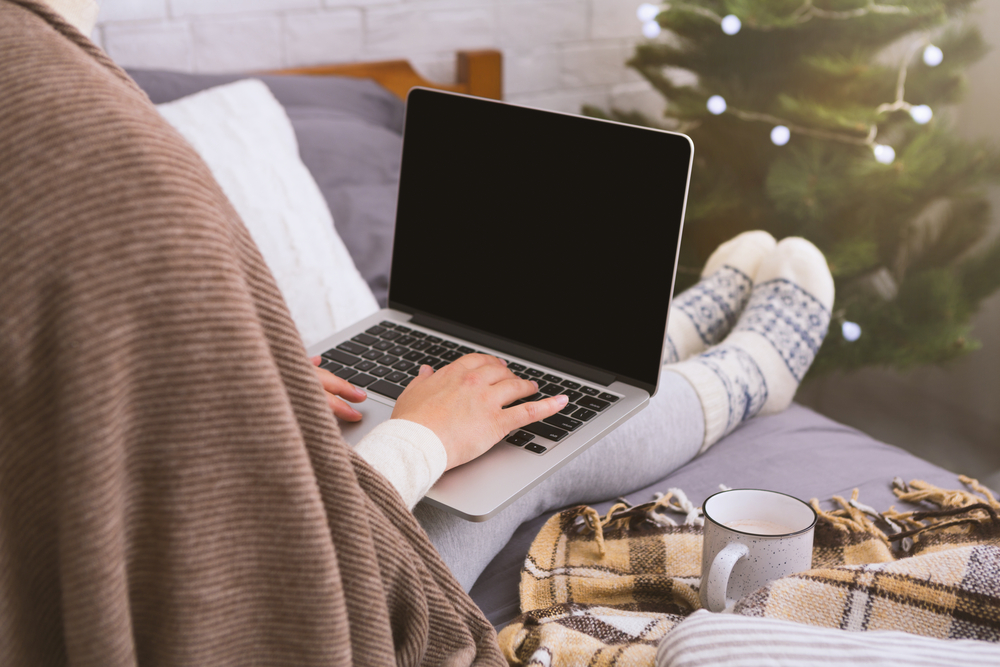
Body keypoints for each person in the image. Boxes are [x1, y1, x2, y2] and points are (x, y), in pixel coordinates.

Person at [0, 0, 833, 663]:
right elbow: (275, 591)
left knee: (534, 383)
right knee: (537, 441)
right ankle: (750, 373)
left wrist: (256, 393)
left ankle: (669, 329)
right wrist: (420, 440)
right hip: (346, 600)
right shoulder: (98, 152)